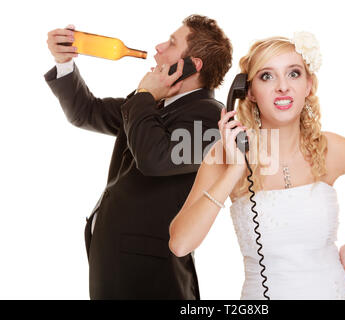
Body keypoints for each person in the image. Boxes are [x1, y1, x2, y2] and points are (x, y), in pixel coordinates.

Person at [168, 32, 345, 299]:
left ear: (309, 85)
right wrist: (235, 168)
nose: (282, 86)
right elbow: (180, 244)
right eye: (267, 76)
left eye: (293, 73)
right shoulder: (225, 155)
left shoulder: (332, 149)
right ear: (248, 92)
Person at [44, 14, 232, 299]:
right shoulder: (151, 103)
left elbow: (155, 159)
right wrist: (64, 62)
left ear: (193, 65)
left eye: (171, 43)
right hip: (117, 265)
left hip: (151, 277)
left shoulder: (210, 117)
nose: (158, 47)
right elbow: (86, 112)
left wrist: (145, 95)